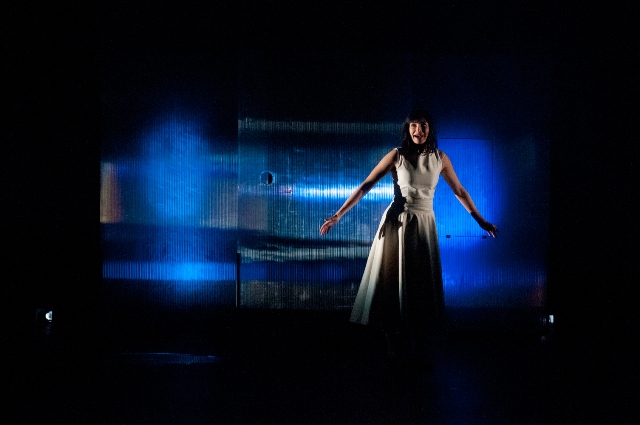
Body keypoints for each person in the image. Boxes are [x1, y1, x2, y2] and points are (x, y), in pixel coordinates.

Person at [319, 109, 498, 364]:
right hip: (398, 225)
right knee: (392, 285)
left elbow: (459, 190)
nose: (418, 130)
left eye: (423, 125)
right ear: (408, 128)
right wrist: (338, 215)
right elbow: (366, 185)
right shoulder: (397, 155)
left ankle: (417, 349)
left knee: (420, 287)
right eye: (414, 125)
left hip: (424, 225)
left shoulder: (440, 158)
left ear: (429, 128)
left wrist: (480, 221)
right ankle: (393, 348)